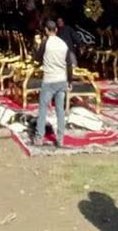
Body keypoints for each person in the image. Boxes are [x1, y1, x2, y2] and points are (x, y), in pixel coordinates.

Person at [33, 19, 75, 148]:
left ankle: (39, 137)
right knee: (60, 110)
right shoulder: (63, 44)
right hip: (61, 80)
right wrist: (70, 81)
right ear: (56, 30)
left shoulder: (46, 43)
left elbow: (37, 58)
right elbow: (69, 64)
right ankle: (60, 138)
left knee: (43, 109)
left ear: (46, 30)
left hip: (49, 80)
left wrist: (36, 47)